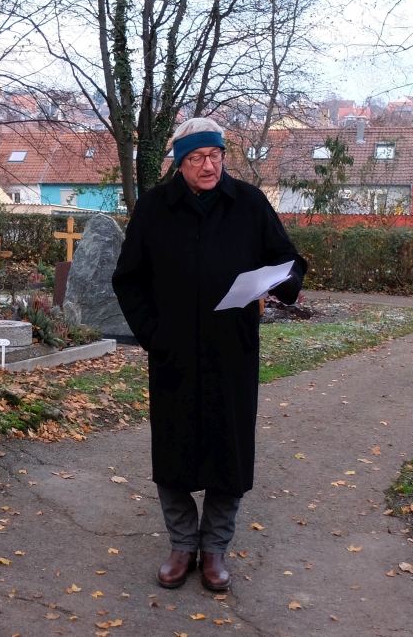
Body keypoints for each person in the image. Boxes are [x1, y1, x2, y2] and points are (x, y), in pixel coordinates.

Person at [111, 118, 306, 591]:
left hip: (231, 351)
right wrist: (154, 334)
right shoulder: (156, 208)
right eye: (197, 158)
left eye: (215, 155)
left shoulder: (250, 204)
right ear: (180, 163)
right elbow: (128, 279)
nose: (208, 165)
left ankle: (215, 548)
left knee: (229, 452)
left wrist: (283, 284)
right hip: (172, 352)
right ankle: (182, 545)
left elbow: (288, 260)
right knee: (174, 449)